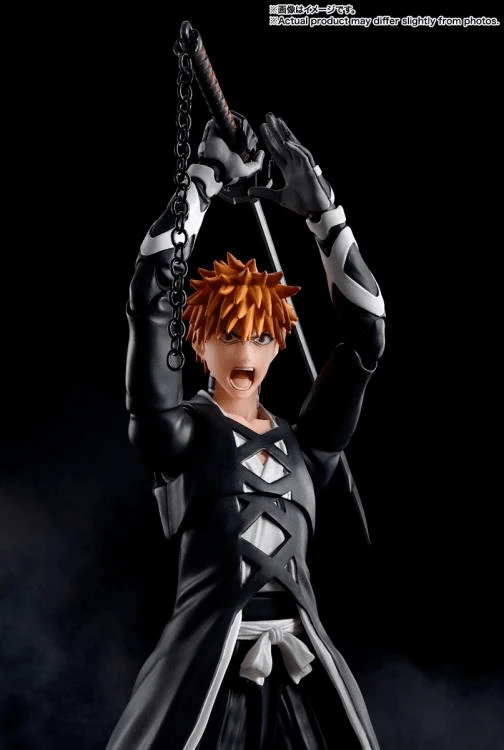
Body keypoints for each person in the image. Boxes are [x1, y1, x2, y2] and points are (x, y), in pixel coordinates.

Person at [106, 112, 385, 749]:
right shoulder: (179, 434)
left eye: (261, 336)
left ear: (280, 345)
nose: (245, 352)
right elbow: (150, 295)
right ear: (199, 341)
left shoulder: (307, 447)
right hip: (206, 674)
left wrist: (325, 217)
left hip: (303, 671)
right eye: (228, 334)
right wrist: (203, 180)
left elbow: (366, 338)